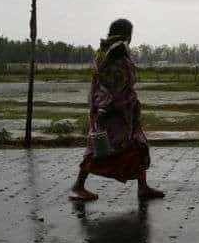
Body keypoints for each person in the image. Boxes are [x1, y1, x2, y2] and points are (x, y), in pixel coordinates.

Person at [70, 18, 164, 201]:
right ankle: (78, 186)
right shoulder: (113, 53)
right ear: (126, 34)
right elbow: (109, 84)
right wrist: (105, 109)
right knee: (98, 149)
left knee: (137, 146)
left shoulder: (110, 52)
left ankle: (142, 187)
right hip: (112, 111)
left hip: (124, 112)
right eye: (130, 34)